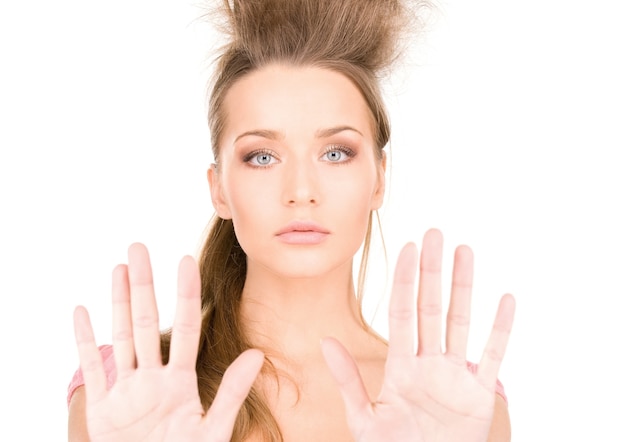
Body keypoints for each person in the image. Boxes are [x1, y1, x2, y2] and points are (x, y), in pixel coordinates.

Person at [67, 0, 516, 440]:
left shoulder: (458, 406)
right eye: (262, 156)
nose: (301, 191)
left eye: (336, 153)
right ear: (219, 188)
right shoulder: (126, 394)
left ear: (379, 178)